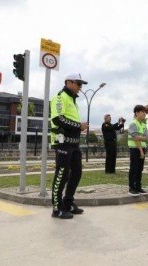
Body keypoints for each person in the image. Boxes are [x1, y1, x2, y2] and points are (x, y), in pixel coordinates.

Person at [50, 73, 89, 219]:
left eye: (81, 84)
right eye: (78, 84)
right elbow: (57, 119)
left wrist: (78, 128)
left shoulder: (72, 100)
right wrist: (79, 126)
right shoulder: (60, 97)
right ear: (68, 82)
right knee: (62, 174)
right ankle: (56, 208)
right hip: (62, 142)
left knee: (77, 172)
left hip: (74, 143)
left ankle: (68, 203)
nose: (80, 87)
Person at [128, 105, 148, 196]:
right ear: (137, 113)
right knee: (134, 168)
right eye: (143, 112)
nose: (145, 113)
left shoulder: (144, 125)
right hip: (135, 149)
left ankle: (138, 187)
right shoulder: (133, 124)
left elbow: (147, 138)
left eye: (145, 112)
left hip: (142, 148)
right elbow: (135, 138)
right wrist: (141, 150)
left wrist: (142, 138)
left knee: (140, 169)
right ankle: (131, 188)